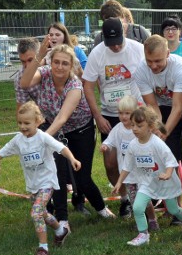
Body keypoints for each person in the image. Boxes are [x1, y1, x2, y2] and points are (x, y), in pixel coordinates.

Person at [0, 102, 79, 255]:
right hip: (33, 185)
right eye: (20, 122)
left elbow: (61, 148)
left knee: (36, 212)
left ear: (38, 121)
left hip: (47, 182)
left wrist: (72, 159)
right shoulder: (18, 140)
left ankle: (43, 248)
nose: (22, 126)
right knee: (42, 212)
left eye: (27, 123)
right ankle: (60, 230)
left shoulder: (43, 137)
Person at [20, 43, 115, 222]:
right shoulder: (45, 73)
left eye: (65, 63)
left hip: (80, 130)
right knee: (56, 175)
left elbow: (62, 118)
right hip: (53, 129)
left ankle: (101, 208)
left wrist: (42, 139)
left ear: (71, 66)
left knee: (82, 177)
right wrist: (39, 56)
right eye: (56, 62)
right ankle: (62, 218)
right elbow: (24, 83)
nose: (59, 67)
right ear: (50, 62)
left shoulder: (75, 85)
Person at [82, 17, 146, 213]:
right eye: (111, 44)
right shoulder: (97, 53)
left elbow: (148, 77)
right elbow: (88, 85)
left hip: (136, 111)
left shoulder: (137, 49)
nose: (116, 47)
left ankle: (146, 196)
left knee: (142, 156)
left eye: (119, 42)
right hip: (109, 114)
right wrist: (97, 116)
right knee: (111, 161)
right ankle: (125, 198)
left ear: (124, 32)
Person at [112, 106, 182, 247]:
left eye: (139, 125)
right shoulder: (133, 145)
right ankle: (143, 234)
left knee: (173, 209)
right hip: (147, 183)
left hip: (165, 182)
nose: (134, 129)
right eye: (133, 125)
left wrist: (168, 174)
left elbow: (171, 161)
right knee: (138, 208)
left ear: (150, 127)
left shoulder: (157, 143)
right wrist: (119, 182)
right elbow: (127, 166)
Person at [134, 35, 182, 185]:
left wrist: (165, 131)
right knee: (170, 157)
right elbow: (153, 105)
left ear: (168, 54)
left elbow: (178, 107)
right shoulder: (141, 71)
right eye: (149, 61)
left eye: (158, 61)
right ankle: (175, 204)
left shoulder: (180, 66)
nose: (153, 66)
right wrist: (160, 127)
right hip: (163, 109)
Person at [100, 96, 159, 228]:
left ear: (135, 112)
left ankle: (152, 220)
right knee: (134, 200)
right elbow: (109, 141)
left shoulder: (138, 129)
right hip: (127, 174)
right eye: (120, 113)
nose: (123, 116)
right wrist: (105, 146)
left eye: (127, 113)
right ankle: (141, 222)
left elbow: (151, 142)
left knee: (145, 198)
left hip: (142, 172)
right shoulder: (118, 129)